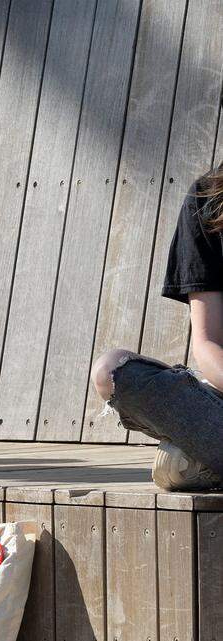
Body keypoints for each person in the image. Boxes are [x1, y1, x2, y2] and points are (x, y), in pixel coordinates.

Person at [90, 165, 223, 492]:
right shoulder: (208, 199)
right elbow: (208, 343)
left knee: (177, 468)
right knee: (113, 372)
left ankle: (204, 456)